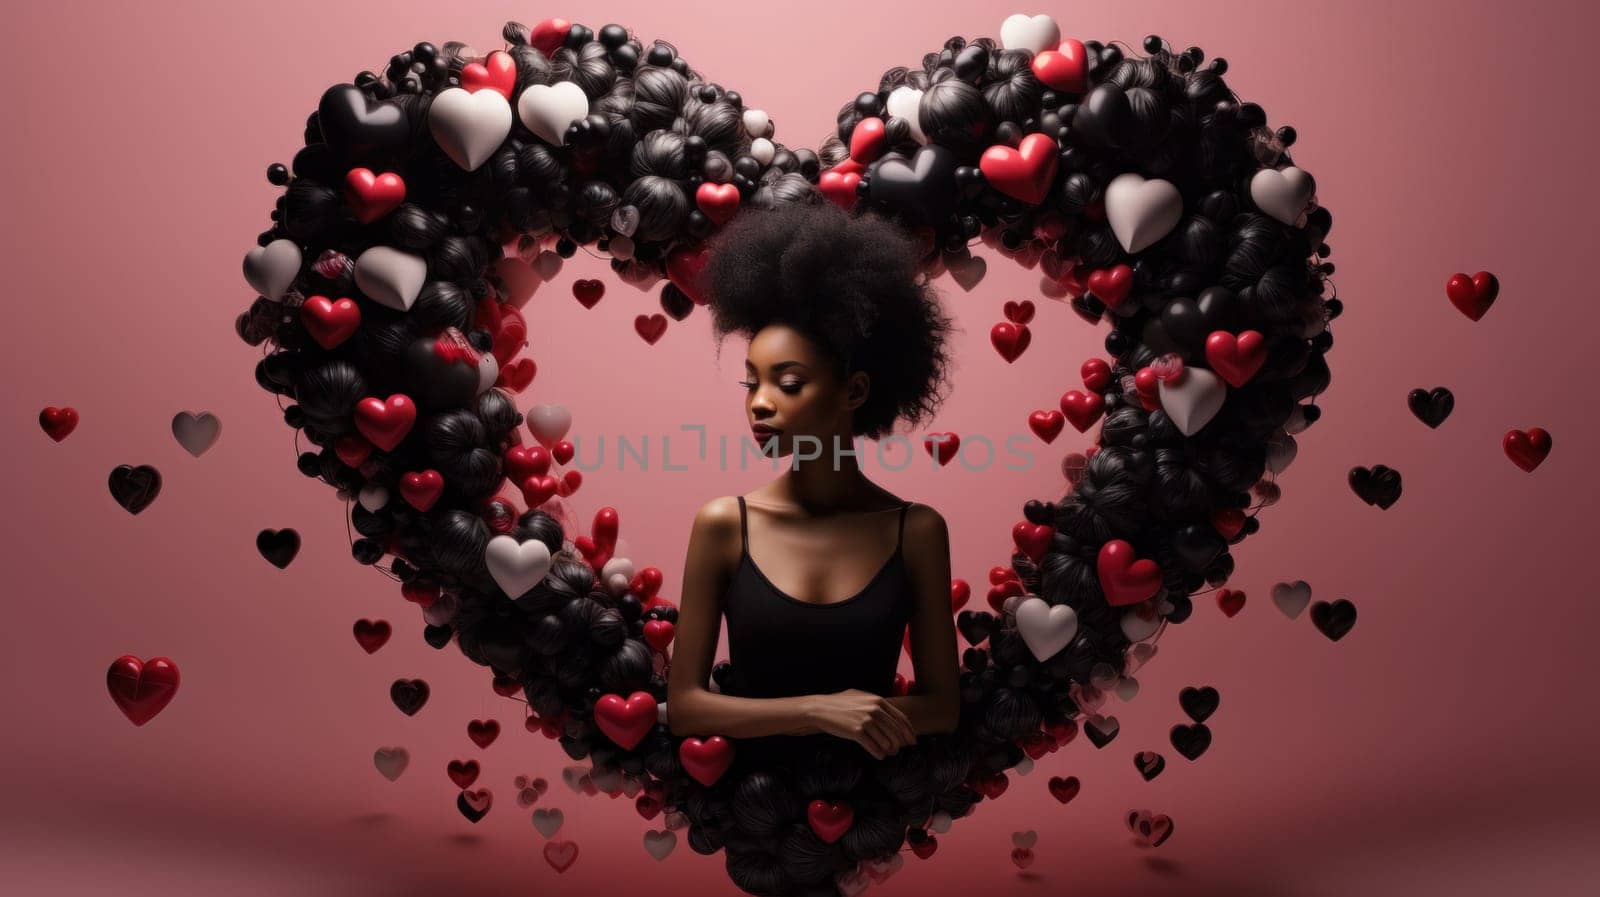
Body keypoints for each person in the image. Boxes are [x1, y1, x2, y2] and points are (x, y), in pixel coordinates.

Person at [667, 196, 962, 763]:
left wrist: (844, 716)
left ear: (854, 392)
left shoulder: (916, 531)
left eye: (790, 383)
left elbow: (941, 707)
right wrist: (815, 710)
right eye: (752, 384)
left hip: (874, 811)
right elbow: (686, 707)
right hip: (746, 806)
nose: (761, 405)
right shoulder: (726, 525)